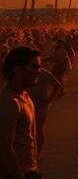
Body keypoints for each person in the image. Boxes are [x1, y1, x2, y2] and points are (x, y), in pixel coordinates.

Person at [0, 46, 41, 179]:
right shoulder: (10, 102)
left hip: (30, 170)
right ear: (18, 70)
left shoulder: (24, 96)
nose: (39, 71)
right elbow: (5, 147)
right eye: (34, 67)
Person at [26, 65, 62, 155]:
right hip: (28, 103)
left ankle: (38, 151)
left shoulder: (44, 73)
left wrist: (50, 99)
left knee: (38, 128)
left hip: (41, 104)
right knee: (29, 129)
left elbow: (57, 85)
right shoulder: (25, 72)